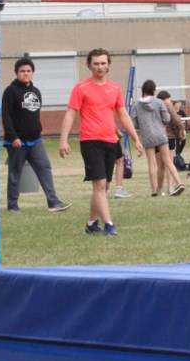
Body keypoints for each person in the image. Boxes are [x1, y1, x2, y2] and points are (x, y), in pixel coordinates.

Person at [59, 49, 143, 236]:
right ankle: (109, 225)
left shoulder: (115, 88)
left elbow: (123, 115)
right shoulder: (81, 88)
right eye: (96, 63)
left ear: (108, 65)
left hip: (111, 141)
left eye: (103, 63)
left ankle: (91, 224)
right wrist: (63, 140)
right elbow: (70, 114)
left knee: (103, 186)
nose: (100, 67)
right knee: (99, 184)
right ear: (89, 65)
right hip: (90, 141)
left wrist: (136, 139)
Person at [1, 57, 71, 213]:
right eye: (22, 71)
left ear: (32, 73)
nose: (25, 74)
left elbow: (35, 114)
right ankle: (12, 205)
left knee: (44, 167)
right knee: (15, 173)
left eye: (28, 71)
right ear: (16, 73)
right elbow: (6, 116)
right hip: (17, 141)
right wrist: (13, 137)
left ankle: (53, 202)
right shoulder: (10, 91)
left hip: (35, 140)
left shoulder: (36, 91)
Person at [132, 80, 185, 197]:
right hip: (161, 134)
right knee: (168, 161)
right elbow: (166, 118)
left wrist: (144, 125)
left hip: (147, 136)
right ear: (154, 91)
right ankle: (179, 183)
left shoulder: (136, 105)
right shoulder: (159, 102)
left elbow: (134, 123)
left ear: (143, 91)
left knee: (152, 163)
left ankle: (154, 190)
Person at [157, 90, 188, 173]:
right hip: (169, 137)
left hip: (157, 138)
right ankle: (171, 185)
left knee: (160, 165)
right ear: (166, 99)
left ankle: (159, 185)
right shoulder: (169, 107)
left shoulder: (155, 108)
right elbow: (177, 121)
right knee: (170, 163)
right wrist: (181, 131)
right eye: (169, 99)